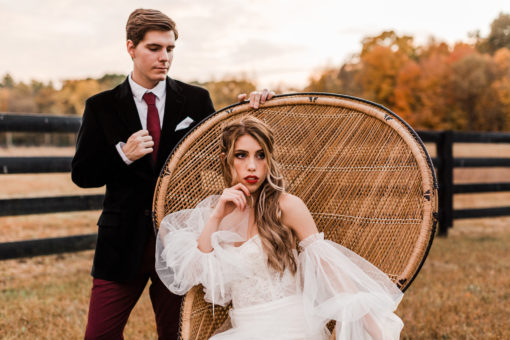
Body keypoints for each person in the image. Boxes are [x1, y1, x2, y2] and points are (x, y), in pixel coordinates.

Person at [71, 8, 273, 340]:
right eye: (154, 48)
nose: (164, 57)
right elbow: (82, 173)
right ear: (130, 47)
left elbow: (221, 157)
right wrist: (123, 153)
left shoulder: (196, 99)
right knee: (99, 335)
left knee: (177, 335)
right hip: (120, 243)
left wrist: (250, 108)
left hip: (181, 241)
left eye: (170, 49)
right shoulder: (100, 106)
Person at [155, 116, 405, 340]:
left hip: (292, 328)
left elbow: (329, 269)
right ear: (226, 159)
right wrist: (218, 215)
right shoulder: (215, 213)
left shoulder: (287, 206)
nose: (252, 166)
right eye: (241, 155)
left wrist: (373, 326)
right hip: (243, 329)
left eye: (260, 155)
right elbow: (193, 273)